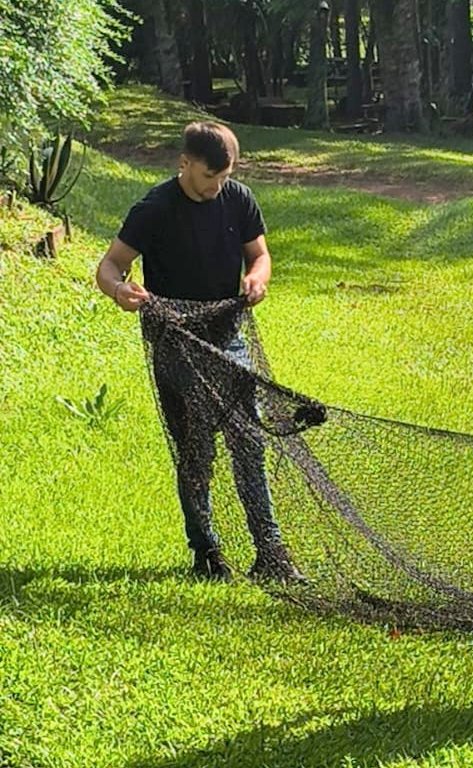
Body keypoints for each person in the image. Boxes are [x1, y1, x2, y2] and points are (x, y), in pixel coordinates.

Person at [95, 121, 303, 585]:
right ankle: (206, 553)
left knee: (249, 442)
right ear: (184, 164)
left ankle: (270, 553)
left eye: (224, 177)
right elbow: (110, 265)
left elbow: (260, 255)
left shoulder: (238, 199)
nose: (217, 187)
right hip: (176, 345)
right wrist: (118, 290)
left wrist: (258, 277)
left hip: (229, 338)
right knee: (195, 451)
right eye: (210, 176)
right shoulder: (154, 209)